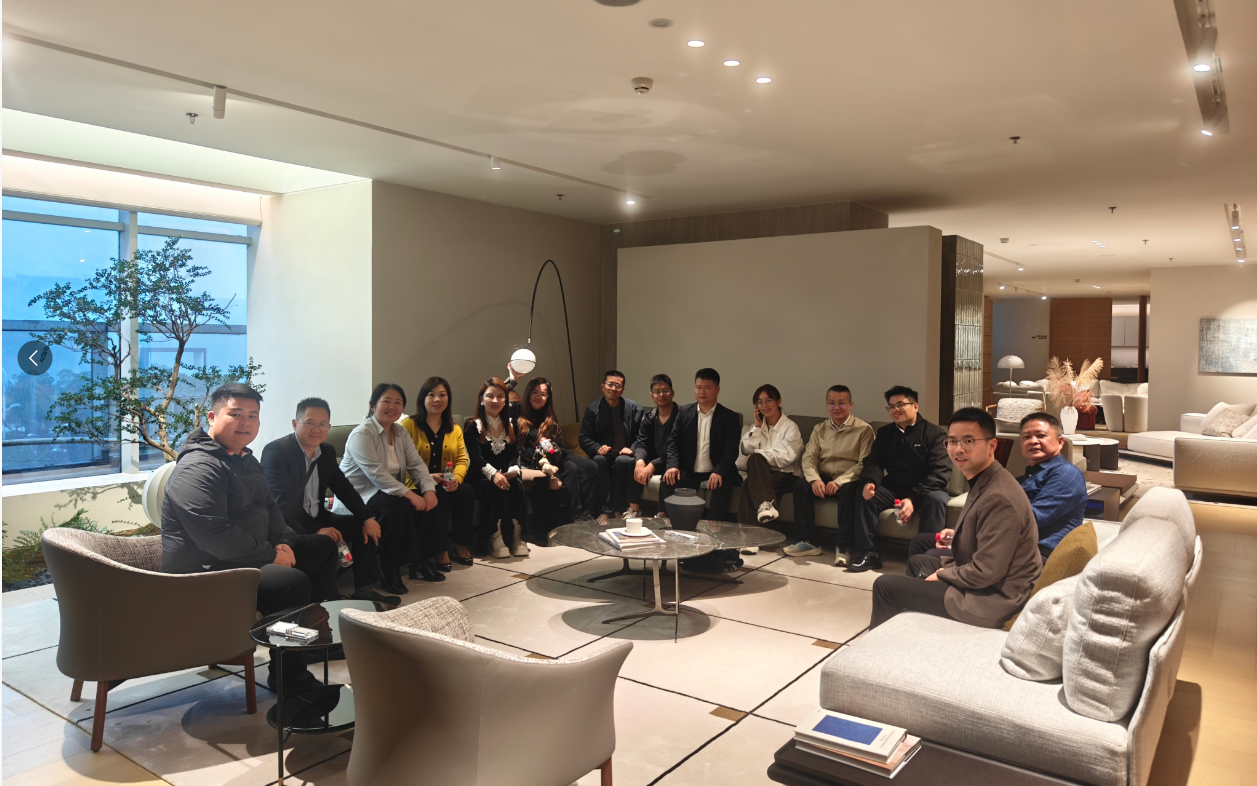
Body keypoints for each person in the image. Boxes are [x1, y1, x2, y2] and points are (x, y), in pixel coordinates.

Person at [161, 383, 338, 695]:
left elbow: (270, 507)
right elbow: (214, 535)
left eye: (253, 415)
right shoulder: (198, 467)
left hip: (244, 558)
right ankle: (288, 676)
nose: (246, 423)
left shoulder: (243, 459)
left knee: (322, 547)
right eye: (236, 414)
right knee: (290, 582)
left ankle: (311, 640)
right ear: (212, 417)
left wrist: (283, 542)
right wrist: (271, 556)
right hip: (205, 571)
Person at [870, 407, 1042, 629]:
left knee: (885, 586)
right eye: (952, 441)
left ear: (992, 446)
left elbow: (986, 572)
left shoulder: (999, 497)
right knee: (918, 561)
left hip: (993, 598)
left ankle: (881, 647)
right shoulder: (986, 479)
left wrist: (944, 574)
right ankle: (918, 629)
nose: (958, 449)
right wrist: (957, 538)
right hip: (987, 582)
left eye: (969, 441)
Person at [260, 397, 402, 605]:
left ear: (329, 426)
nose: (316, 429)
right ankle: (328, 599)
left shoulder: (326, 452)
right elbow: (283, 502)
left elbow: (343, 488)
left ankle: (364, 593)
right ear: (295, 423)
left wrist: (367, 517)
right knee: (325, 541)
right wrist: (316, 529)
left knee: (363, 527)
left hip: (319, 515)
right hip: (288, 525)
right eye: (309, 422)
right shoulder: (276, 452)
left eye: (322, 424)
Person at [911, 411, 1087, 563]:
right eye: (1026, 437)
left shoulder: (1066, 474)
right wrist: (956, 532)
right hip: (1007, 545)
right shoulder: (1024, 478)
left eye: (1041, 435)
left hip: (1034, 554)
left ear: (1060, 442)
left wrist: (968, 536)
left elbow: (1030, 519)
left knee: (930, 557)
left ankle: (948, 589)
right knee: (922, 541)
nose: (1033, 441)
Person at [337, 383, 444, 591]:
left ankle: (421, 561)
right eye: (386, 401)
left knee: (431, 499)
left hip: (388, 494)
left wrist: (429, 490)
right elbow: (377, 474)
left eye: (398, 402)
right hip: (359, 498)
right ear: (372, 405)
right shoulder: (362, 434)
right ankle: (390, 570)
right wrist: (411, 496)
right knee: (399, 506)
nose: (392, 407)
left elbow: (416, 465)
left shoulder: (400, 432)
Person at [840, 385, 950, 572]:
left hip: (926, 489)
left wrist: (912, 498)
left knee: (937, 500)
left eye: (900, 405)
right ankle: (869, 554)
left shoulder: (935, 434)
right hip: (894, 487)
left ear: (915, 406)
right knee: (865, 494)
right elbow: (874, 463)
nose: (895, 410)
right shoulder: (885, 433)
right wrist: (870, 482)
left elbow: (941, 472)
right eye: (891, 406)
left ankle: (926, 560)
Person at [783, 385, 875, 560]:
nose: (836, 407)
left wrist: (839, 482)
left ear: (851, 405)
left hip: (849, 478)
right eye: (832, 403)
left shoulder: (864, 430)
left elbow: (865, 463)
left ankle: (843, 546)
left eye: (842, 403)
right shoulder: (820, 429)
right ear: (826, 405)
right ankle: (807, 541)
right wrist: (814, 479)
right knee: (801, 486)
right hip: (825, 477)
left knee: (849, 490)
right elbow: (808, 457)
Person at [401, 377, 477, 568]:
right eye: (431, 395)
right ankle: (440, 549)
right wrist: (427, 478)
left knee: (466, 491)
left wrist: (457, 479)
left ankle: (460, 544)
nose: (437, 399)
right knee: (438, 494)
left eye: (442, 395)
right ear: (422, 398)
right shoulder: (408, 425)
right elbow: (401, 462)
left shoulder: (454, 428)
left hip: (446, 481)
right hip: (417, 483)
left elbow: (462, 460)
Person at [663, 368, 742, 524]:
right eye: (698, 387)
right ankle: (673, 522)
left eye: (707, 387)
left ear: (717, 390)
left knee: (724, 482)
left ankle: (714, 527)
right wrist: (672, 466)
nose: (702, 392)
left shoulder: (730, 417)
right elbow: (674, 442)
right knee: (668, 479)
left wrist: (718, 471)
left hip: (715, 472)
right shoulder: (684, 412)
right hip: (689, 472)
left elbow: (731, 450)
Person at [465, 377, 528, 558]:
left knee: (516, 484)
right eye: (490, 396)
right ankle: (495, 537)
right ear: (481, 399)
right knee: (493, 487)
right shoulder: (472, 424)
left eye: (500, 396)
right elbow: (476, 458)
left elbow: (515, 453)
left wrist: (514, 470)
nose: (495, 400)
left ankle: (517, 537)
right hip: (480, 477)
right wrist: (493, 475)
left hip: (505, 474)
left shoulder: (511, 423)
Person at [518, 377, 580, 541]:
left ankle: (552, 528)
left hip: (545, 464)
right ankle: (539, 530)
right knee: (543, 479)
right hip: (523, 464)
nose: (539, 397)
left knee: (557, 481)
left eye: (543, 394)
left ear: (548, 398)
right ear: (528, 394)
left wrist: (550, 450)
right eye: (535, 392)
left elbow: (560, 449)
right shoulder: (518, 417)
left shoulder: (550, 421)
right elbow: (516, 449)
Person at [578, 370, 644, 523]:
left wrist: (632, 448)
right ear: (603, 386)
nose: (613, 388)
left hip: (624, 455)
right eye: (610, 384)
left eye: (617, 385)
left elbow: (643, 436)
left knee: (623, 461)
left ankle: (618, 509)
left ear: (622, 389)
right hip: (602, 455)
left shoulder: (634, 408)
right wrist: (596, 447)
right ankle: (604, 510)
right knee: (599, 461)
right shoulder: (592, 409)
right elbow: (584, 437)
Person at [737, 384, 803, 528]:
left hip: (786, 476)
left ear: (778, 401)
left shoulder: (790, 427)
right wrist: (757, 427)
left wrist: (758, 455)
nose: (764, 405)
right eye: (760, 402)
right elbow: (746, 449)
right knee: (749, 481)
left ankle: (747, 533)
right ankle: (765, 507)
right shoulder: (759, 426)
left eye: (768, 400)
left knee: (750, 480)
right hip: (763, 475)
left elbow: (787, 456)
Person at [626, 374, 678, 518]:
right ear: (651, 395)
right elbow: (641, 442)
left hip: (673, 460)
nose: (661, 394)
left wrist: (653, 465)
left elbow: (677, 448)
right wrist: (640, 461)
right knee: (632, 463)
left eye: (665, 390)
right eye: (657, 391)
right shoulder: (649, 417)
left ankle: (662, 513)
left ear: (672, 393)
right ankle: (633, 511)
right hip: (654, 459)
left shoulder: (681, 416)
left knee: (669, 470)